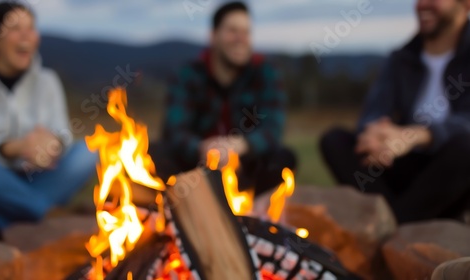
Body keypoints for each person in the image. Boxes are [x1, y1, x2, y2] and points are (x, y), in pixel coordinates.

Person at [320, 0, 470, 224]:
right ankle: (404, 219)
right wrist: (378, 137)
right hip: (399, 162)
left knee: (466, 148)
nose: (423, 4)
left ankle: (394, 224)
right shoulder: (401, 58)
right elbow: (373, 112)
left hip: (450, 170)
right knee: (335, 140)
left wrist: (418, 135)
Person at [0, 2, 97, 231]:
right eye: (16, 28)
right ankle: (45, 213)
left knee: (89, 151)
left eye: (31, 28)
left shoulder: (47, 80)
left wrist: (52, 145)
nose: (27, 36)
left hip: (38, 178)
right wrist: (15, 148)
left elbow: (62, 133)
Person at [150, 2, 296, 196]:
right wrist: (203, 148)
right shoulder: (188, 74)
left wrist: (240, 145)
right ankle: (175, 208)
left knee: (282, 157)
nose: (240, 39)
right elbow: (174, 131)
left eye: (246, 32)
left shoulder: (265, 72)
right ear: (213, 35)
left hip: (245, 167)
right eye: (232, 31)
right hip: (195, 168)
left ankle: (253, 211)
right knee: (155, 152)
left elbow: (273, 129)